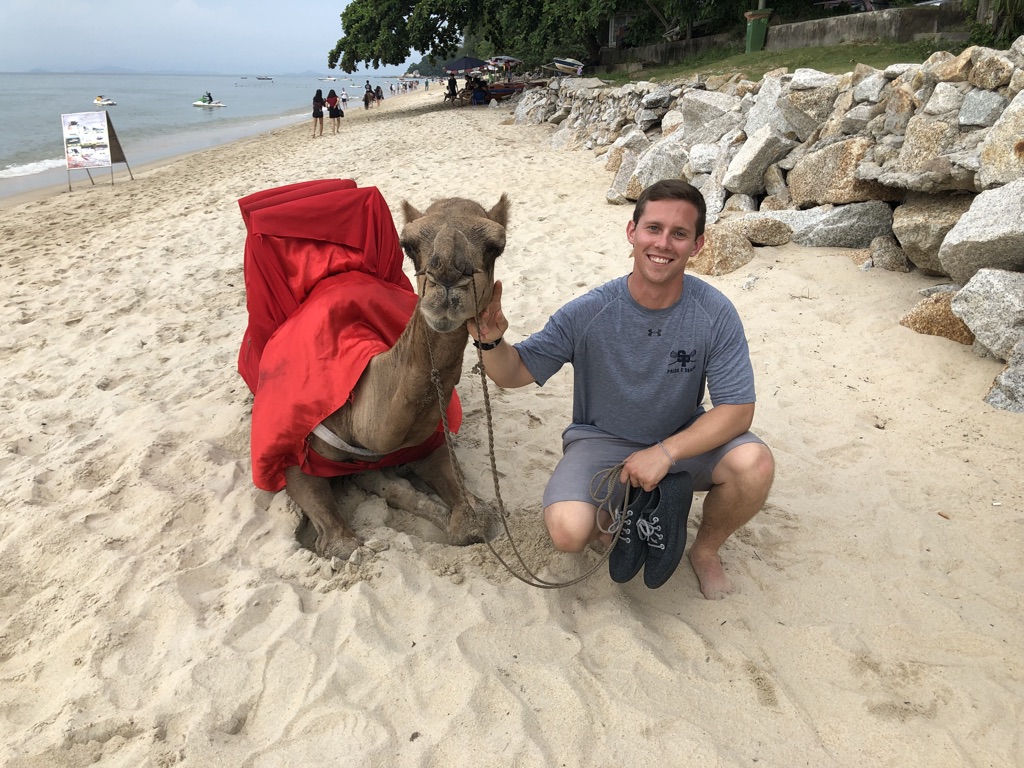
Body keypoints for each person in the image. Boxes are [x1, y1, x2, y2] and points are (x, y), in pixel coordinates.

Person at [468, 180, 775, 599]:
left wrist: (665, 453)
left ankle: (704, 551)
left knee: (754, 464)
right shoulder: (591, 310)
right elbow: (514, 372)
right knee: (567, 532)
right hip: (602, 440)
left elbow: (738, 409)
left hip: (681, 437)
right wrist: (490, 340)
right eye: (653, 228)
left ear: (697, 245)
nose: (663, 243)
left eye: (679, 234)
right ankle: (632, 508)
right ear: (632, 233)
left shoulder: (714, 312)